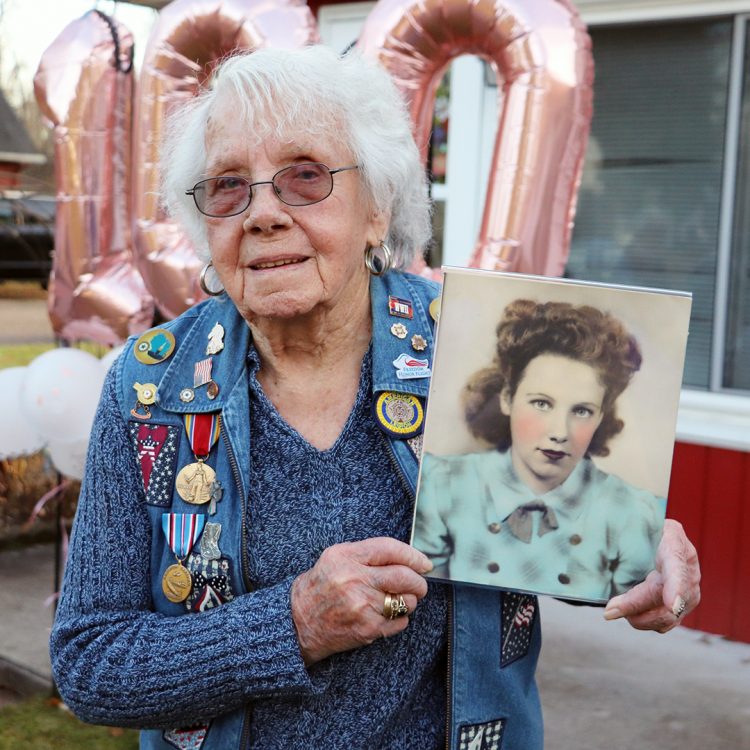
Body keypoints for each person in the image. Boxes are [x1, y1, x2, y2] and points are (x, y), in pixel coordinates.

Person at [49, 46, 700, 750]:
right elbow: (90, 662)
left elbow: (551, 519)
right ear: (206, 225)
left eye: (305, 176)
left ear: (377, 209)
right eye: (229, 186)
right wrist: (294, 623)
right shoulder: (153, 386)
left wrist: (633, 542)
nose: (263, 212)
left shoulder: (468, 346)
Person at [413, 299, 665, 601]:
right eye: (541, 404)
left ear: (601, 416)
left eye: (582, 410)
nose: (559, 433)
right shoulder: (443, 485)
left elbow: (637, 609)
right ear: (507, 398)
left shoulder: (634, 514)